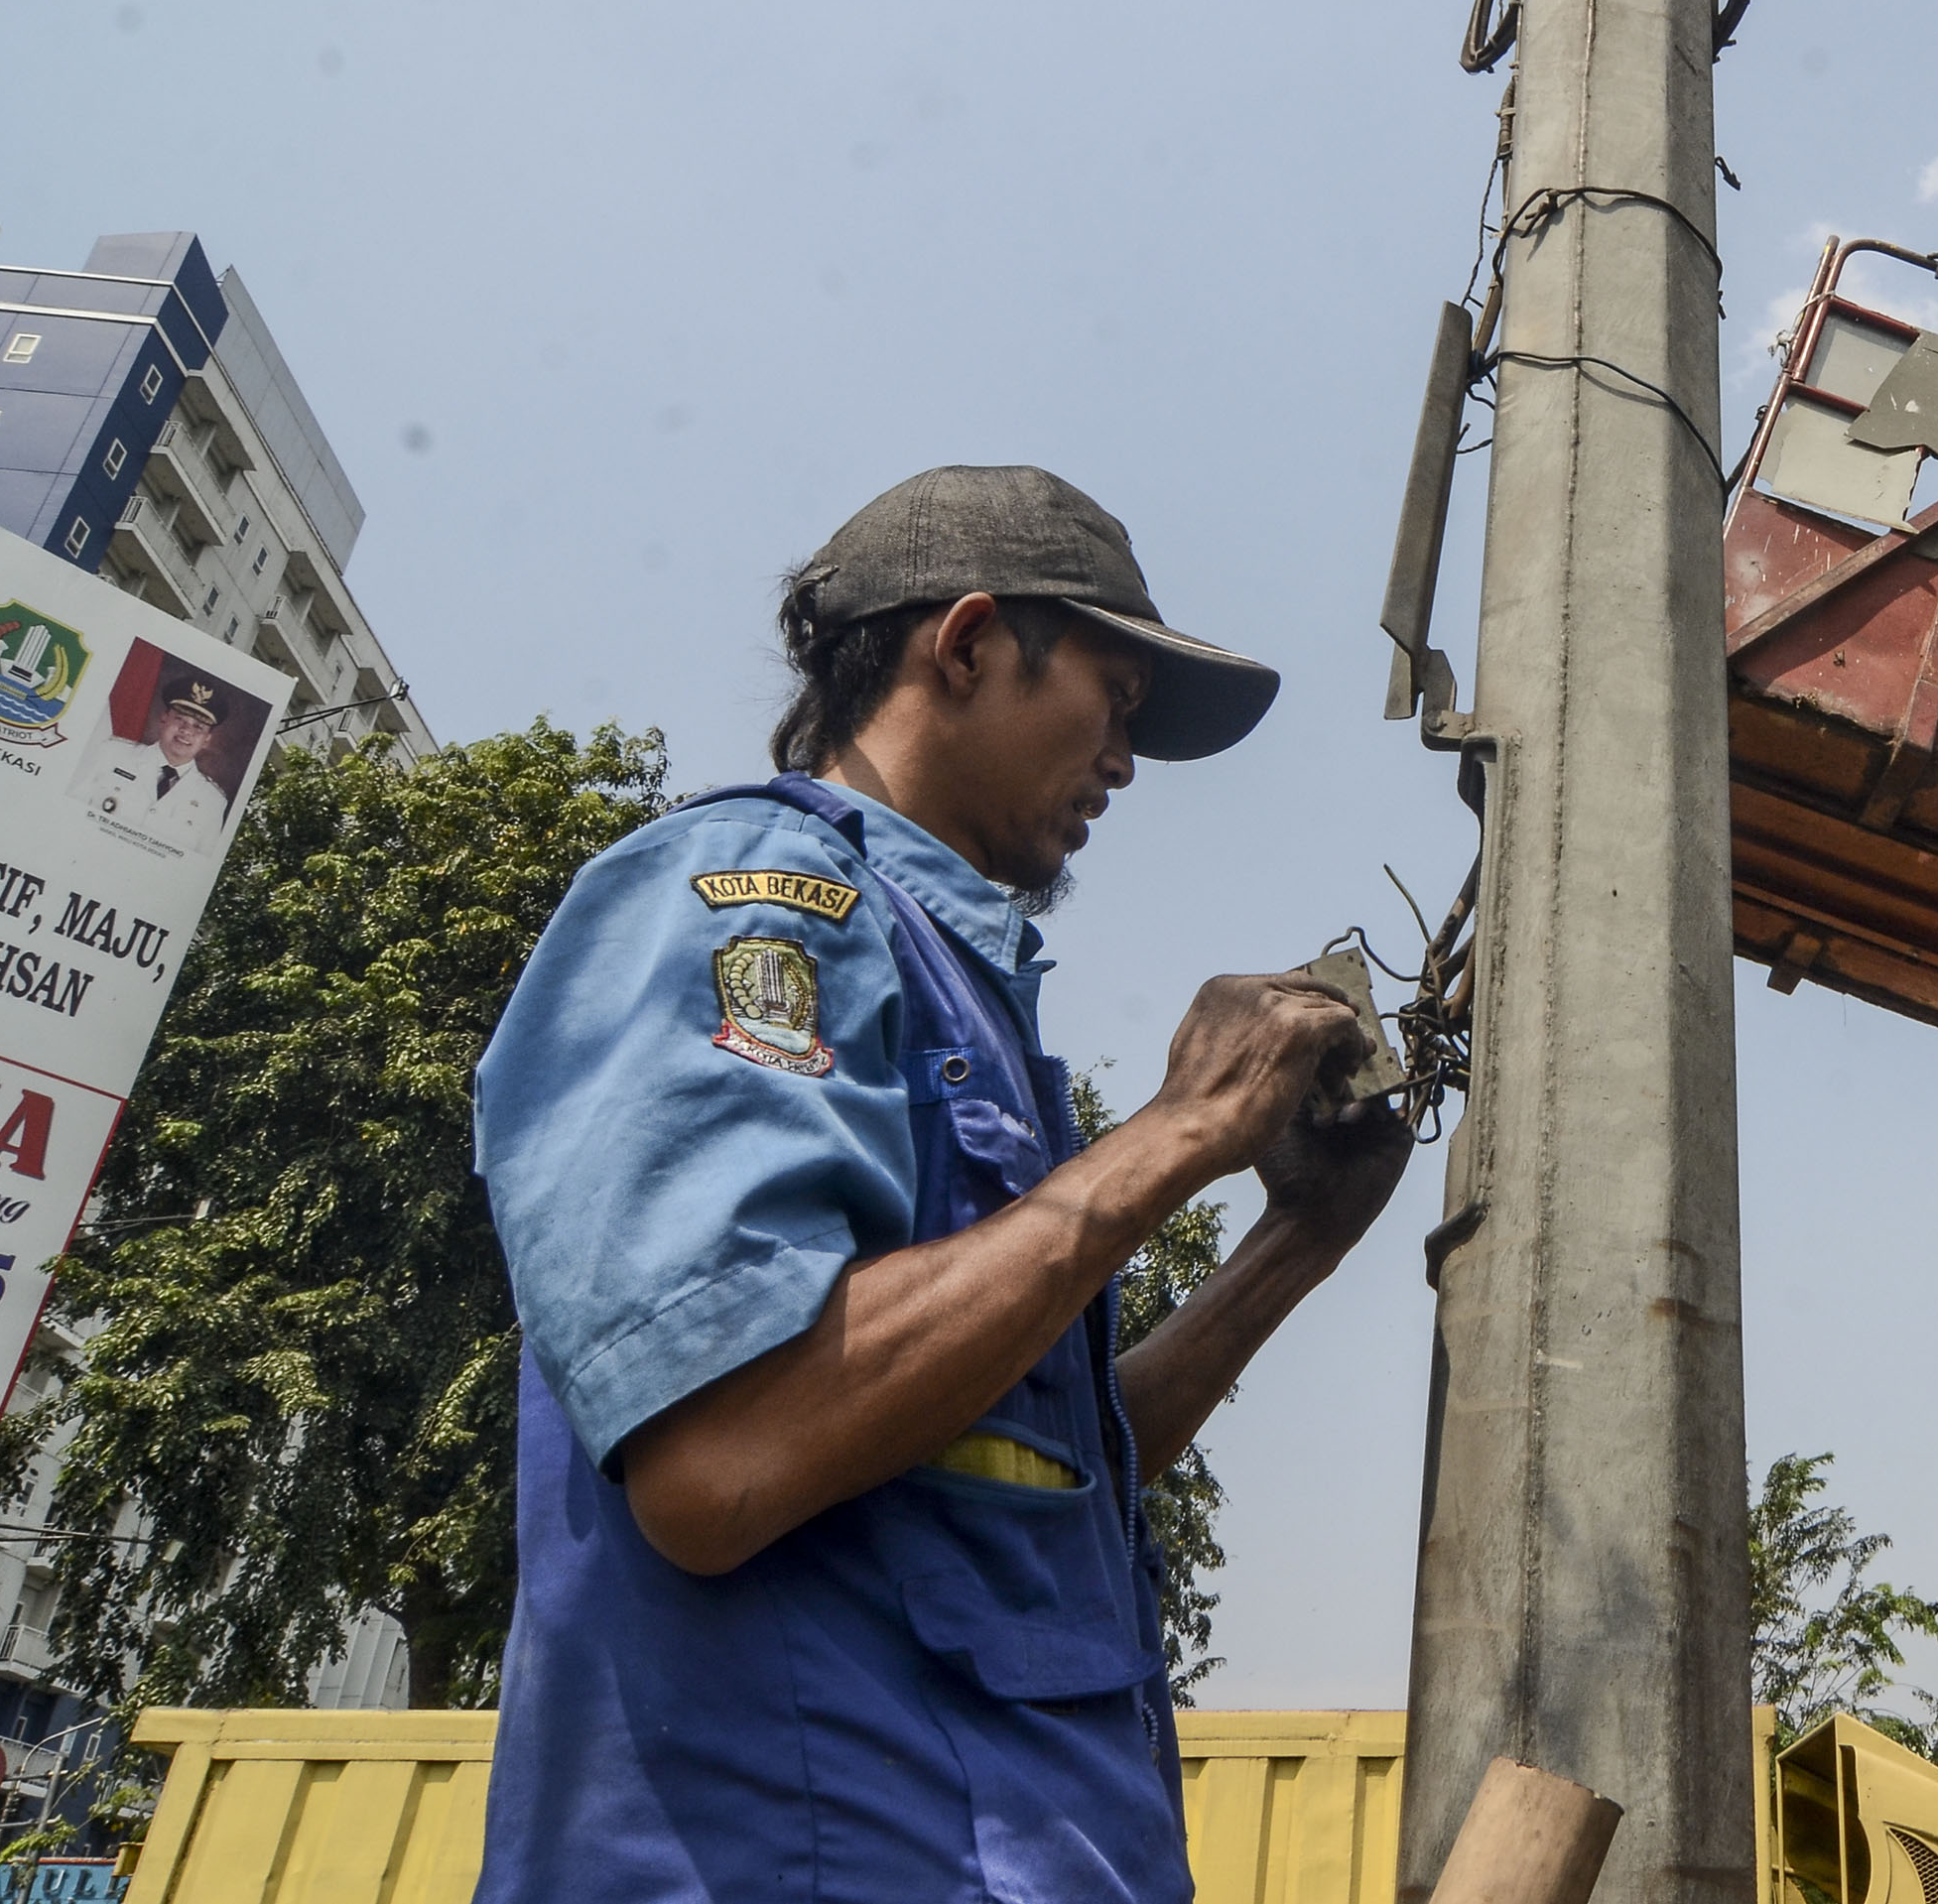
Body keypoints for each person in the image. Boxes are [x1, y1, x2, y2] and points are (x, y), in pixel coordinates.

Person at [468, 465, 1411, 1904]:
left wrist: (1289, 1243)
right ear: (966, 644)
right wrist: (1173, 1135)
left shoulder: (964, 1007)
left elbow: (1032, 1483)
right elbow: (727, 1456)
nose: (1126, 761)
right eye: (1117, 694)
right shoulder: (765, 896)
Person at [70, 672, 231, 853]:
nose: (186, 731)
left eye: (198, 727)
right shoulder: (110, 753)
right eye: (180, 719)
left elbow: (196, 868)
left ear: (207, 740)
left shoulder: (212, 802)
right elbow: (70, 811)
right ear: (164, 719)